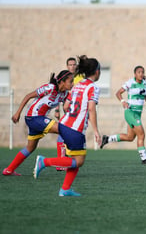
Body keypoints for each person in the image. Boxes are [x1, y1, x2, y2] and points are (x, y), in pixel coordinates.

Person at [34, 55, 102, 197]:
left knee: (75, 159)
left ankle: (65, 189)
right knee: (79, 161)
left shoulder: (78, 85)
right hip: (75, 130)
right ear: (96, 72)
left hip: (64, 124)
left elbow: (66, 105)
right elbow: (91, 109)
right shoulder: (93, 87)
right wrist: (96, 131)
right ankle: (44, 162)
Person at [2, 70, 73, 176]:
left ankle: (9, 170)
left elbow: (68, 106)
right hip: (33, 117)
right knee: (63, 130)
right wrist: (17, 113)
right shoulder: (50, 88)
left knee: (30, 148)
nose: (72, 84)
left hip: (38, 119)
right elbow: (28, 96)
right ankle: (60, 163)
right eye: (70, 81)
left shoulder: (64, 94)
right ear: (62, 81)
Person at [100, 66, 146, 165]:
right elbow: (118, 93)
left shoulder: (145, 84)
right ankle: (144, 159)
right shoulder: (130, 83)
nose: (141, 74)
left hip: (138, 114)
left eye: (142, 72)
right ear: (135, 74)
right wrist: (123, 101)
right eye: (139, 72)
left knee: (130, 137)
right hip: (130, 112)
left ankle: (107, 139)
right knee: (141, 134)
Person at [54, 57, 78, 171]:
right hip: (67, 112)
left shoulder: (78, 78)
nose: (72, 66)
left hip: (76, 112)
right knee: (63, 134)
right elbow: (58, 95)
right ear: (67, 66)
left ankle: (64, 161)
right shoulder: (64, 78)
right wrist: (57, 110)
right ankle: (60, 162)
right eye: (70, 64)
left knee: (69, 135)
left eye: (74, 64)